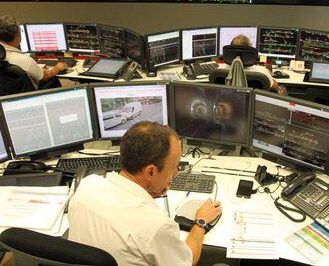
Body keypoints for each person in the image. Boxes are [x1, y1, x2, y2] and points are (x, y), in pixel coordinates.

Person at [68, 121, 222, 266]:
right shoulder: (157, 227)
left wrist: (147, 190)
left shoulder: (86, 186)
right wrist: (200, 222)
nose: (176, 173)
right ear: (150, 172)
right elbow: (188, 260)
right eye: (174, 167)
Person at [0, 15, 67, 90]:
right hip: (28, 96)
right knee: (53, 80)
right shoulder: (24, 60)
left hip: (6, 96)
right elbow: (44, 77)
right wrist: (58, 68)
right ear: (17, 36)